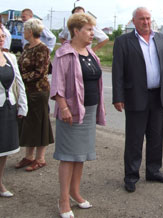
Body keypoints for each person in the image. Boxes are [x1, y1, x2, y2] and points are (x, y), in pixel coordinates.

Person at [112, 7, 163, 193]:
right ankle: (131, 176)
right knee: (134, 139)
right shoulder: (123, 42)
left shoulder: (161, 39)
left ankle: (153, 170)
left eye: (148, 18)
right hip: (135, 96)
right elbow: (117, 72)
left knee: (156, 136)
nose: (146, 22)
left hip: (157, 95)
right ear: (134, 21)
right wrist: (118, 97)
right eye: (141, 19)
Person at [50, 13, 106, 218]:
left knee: (80, 155)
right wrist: (64, 108)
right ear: (76, 31)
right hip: (71, 113)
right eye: (89, 30)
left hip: (89, 112)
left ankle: (75, 192)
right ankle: (63, 199)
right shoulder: (64, 54)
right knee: (68, 156)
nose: (93, 34)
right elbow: (57, 85)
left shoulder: (90, 52)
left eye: (93, 30)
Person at [14, 19, 54, 171]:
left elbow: (40, 71)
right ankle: (29, 156)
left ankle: (40, 158)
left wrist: (21, 78)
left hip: (38, 91)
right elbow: (19, 66)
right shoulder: (27, 47)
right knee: (28, 123)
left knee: (40, 124)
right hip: (26, 92)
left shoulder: (42, 48)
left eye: (24, 30)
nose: (23, 32)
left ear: (30, 32)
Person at [0, 28, 28, 197]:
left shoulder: (10, 57)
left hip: (8, 106)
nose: (1, 38)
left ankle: (0, 182)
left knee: (5, 148)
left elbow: (19, 81)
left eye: (2, 35)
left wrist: (23, 105)